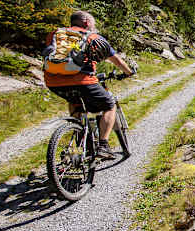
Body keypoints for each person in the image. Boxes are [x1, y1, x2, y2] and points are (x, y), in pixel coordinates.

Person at [43, 11, 135, 160]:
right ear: (86, 22)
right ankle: (103, 146)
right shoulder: (91, 37)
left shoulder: (55, 34)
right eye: (93, 22)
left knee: (74, 101)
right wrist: (129, 72)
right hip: (83, 81)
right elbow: (115, 60)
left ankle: (80, 136)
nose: (94, 25)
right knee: (109, 105)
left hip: (53, 82)